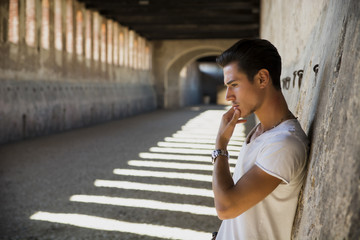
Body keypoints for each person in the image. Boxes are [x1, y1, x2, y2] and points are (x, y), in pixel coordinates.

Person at [211, 39, 309, 240]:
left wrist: (220, 146)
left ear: (263, 78)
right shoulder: (261, 131)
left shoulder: (284, 144)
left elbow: (226, 208)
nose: (228, 95)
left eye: (234, 85)